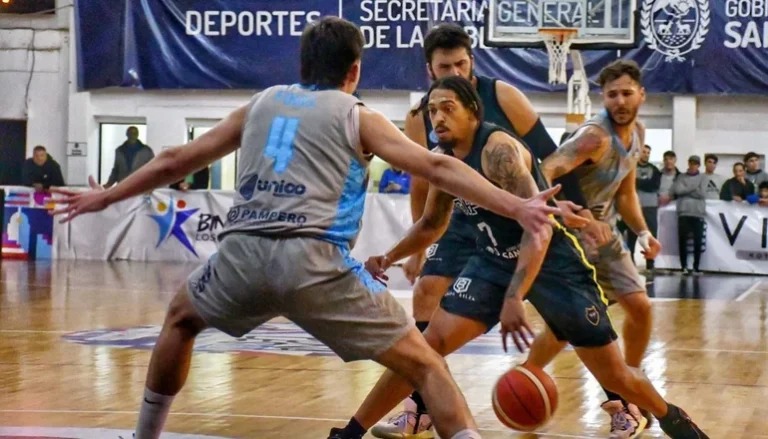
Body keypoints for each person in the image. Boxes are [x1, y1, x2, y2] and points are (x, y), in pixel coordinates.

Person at [50, 17, 563, 439]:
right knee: (426, 365)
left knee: (181, 320)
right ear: (354, 71)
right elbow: (437, 167)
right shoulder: (355, 114)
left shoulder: (261, 103)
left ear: (302, 66)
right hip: (317, 263)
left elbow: (174, 159)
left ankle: (145, 435)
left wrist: (107, 196)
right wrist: (517, 207)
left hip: (241, 256)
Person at [330, 75, 709, 439]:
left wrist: (514, 296)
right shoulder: (442, 158)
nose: (438, 118)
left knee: (615, 376)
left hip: (552, 263)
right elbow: (431, 224)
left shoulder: (498, 151)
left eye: (448, 108)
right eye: (432, 111)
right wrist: (389, 256)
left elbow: (538, 229)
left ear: (473, 112)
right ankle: (350, 433)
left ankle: (673, 419)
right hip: (493, 260)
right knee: (426, 349)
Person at [371, 23, 598, 438]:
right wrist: (416, 250)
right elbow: (424, 183)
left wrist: (566, 205)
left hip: (516, 213)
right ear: (430, 71)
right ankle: (420, 407)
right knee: (425, 291)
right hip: (461, 216)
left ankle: (617, 397)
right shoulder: (421, 117)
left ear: (472, 61)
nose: (455, 72)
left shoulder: (503, 96)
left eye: (461, 63)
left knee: (571, 313)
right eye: (445, 67)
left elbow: (549, 155)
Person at [525, 60, 663, 438]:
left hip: (606, 234)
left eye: (627, 93)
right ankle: (527, 377)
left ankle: (629, 384)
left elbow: (626, 192)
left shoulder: (637, 133)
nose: (620, 101)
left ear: (641, 95)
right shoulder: (594, 137)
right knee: (570, 326)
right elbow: (544, 170)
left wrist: (643, 232)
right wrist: (574, 212)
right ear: (604, 98)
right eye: (612, 94)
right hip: (571, 235)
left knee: (640, 308)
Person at [619, 143, 660, 271]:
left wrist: (637, 182)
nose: (646, 155)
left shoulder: (654, 169)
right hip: (635, 206)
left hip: (650, 207)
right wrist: (642, 183)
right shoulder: (631, 167)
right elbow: (628, 184)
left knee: (651, 234)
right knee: (632, 235)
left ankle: (650, 264)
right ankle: (631, 263)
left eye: (648, 153)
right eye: (644, 152)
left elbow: (653, 185)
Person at [672, 155, 707, 275]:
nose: (693, 165)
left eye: (695, 164)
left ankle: (696, 267)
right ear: (688, 163)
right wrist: (694, 188)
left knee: (698, 242)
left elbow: (702, 193)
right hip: (684, 212)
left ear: (698, 165)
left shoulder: (703, 177)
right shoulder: (681, 176)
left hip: (698, 213)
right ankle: (684, 267)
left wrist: (686, 190)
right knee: (683, 241)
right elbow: (677, 191)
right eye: (691, 163)